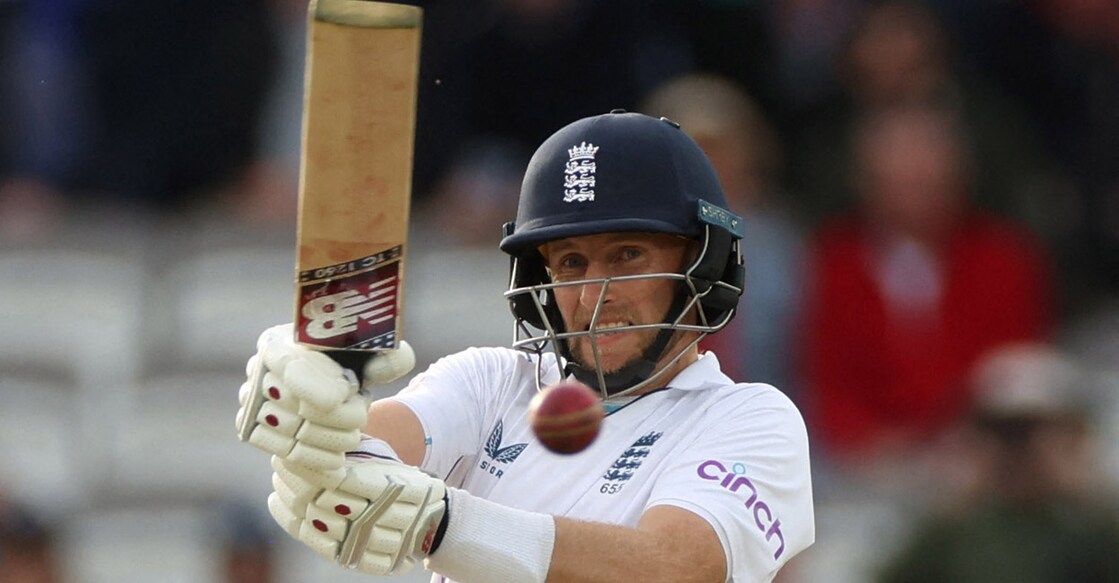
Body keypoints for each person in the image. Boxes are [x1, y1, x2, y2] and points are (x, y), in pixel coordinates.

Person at [236, 111, 814, 582]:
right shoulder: (493, 383)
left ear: (701, 263)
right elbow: (369, 452)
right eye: (571, 263)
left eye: (627, 255)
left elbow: (675, 568)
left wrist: (444, 523)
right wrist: (318, 411)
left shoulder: (749, 418)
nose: (595, 294)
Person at [801, 103, 1054, 468]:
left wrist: (968, 440)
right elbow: (825, 380)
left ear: (959, 174)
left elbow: (1020, 366)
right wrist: (876, 443)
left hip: (989, 456)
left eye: (926, 171)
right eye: (898, 174)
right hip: (868, 463)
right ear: (865, 180)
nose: (914, 181)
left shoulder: (1005, 257)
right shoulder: (833, 264)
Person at [878, 342, 1119, 582]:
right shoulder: (958, 532)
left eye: (1028, 429)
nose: (1014, 448)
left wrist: (1085, 490)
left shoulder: (1088, 527)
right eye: (999, 431)